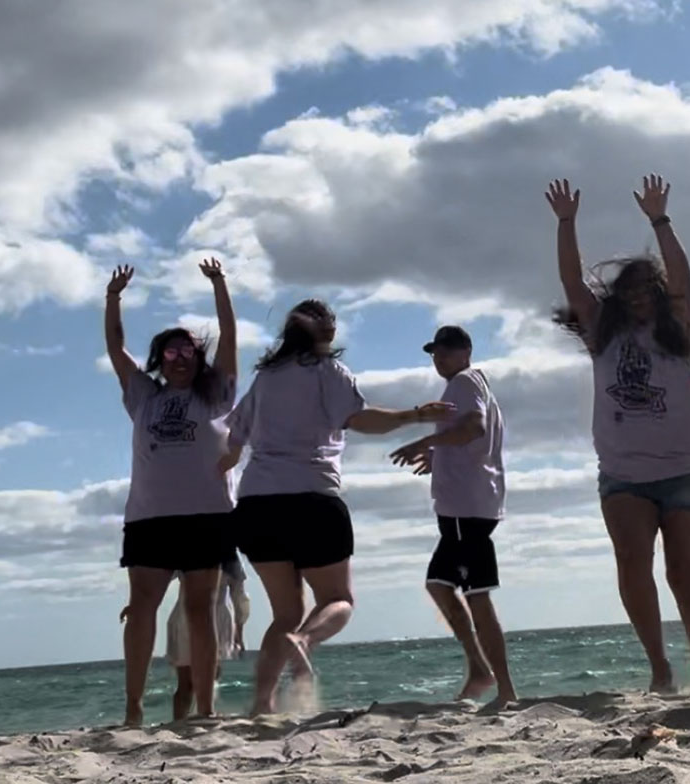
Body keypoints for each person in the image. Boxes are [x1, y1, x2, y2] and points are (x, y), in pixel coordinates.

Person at [219, 299, 454, 715]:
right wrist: (416, 415)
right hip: (312, 498)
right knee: (339, 598)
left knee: (285, 612)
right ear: (325, 332)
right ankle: (305, 642)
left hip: (256, 505)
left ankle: (261, 704)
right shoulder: (329, 371)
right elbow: (359, 419)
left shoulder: (265, 378)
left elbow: (232, 442)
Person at [545, 176, 690, 693]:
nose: (643, 298)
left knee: (686, 577)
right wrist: (566, 223)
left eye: (651, 290)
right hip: (623, 474)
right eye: (633, 291)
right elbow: (573, 282)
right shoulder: (604, 333)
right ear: (621, 298)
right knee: (633, 569)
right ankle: (661, 670)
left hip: (686, 468)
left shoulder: (680, 329)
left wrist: (660, 220)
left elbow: (683, 280)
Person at [105, 259, 238, 725]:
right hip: (150, 517)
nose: (180, 359)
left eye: (188, 352)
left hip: (207, 515)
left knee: (200, 610)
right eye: (170, 353)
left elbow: (229, 336)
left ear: (198, 359)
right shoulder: (144, 396)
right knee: (143, 605)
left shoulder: (216, 393)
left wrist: (219, 285)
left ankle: (205, 708)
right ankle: (134, 708)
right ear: (159, 361)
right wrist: (113, 298)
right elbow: (116, 348)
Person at [389, 326, 517, 705]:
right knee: (439, 584)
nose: (438, 358)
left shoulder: (463, 382)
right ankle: (480, 669)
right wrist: (438, 455)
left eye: (445, 350)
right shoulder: (475, 385)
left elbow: (473, 429)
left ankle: (505, 689)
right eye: (434, 352)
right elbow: (468, 438)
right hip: (466, 507)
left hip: (466, 509)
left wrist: (425, 440)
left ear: (466, 351)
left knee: (478, 595)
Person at [165, 558, 251, 719]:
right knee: (209, 675)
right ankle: (202, 712)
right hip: (216, 618)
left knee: (186, 683)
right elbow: (239, 596)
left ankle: (182, 720)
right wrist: (239, 632)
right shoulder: (230, 557)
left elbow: (160, 578)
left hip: (186, 613)